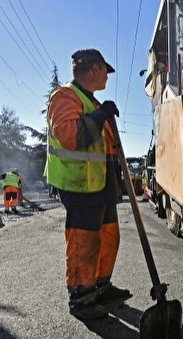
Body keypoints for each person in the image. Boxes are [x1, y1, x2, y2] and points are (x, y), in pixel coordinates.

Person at [45, 48, 131, 320]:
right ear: (95, 69)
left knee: (108, 237)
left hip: (100, 185)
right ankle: (82, 298)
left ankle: (100, 287)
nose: (107, 76)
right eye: (106, 70)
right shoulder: (65, 97)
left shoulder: (92, 103)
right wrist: (100, 116)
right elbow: (70, 136)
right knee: (85, 242)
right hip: (80, 186)